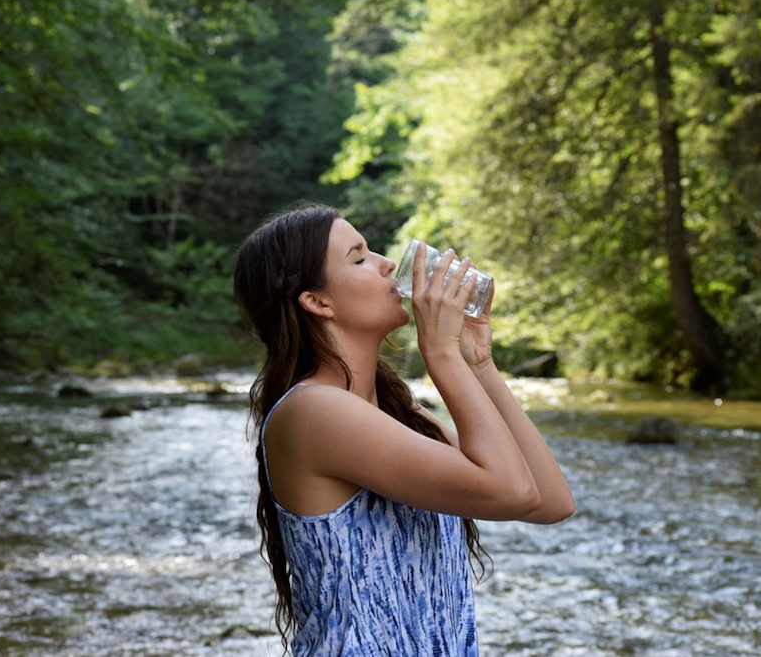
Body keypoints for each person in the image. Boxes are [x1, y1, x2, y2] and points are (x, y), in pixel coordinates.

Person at [232, 201, 575, 656]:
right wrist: (443, 355)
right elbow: (512, 491)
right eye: (359, 258)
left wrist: (479, 363)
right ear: (317, 302)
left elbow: (550, 501)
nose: (387, 264)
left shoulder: (397, 412)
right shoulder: (313, 411)